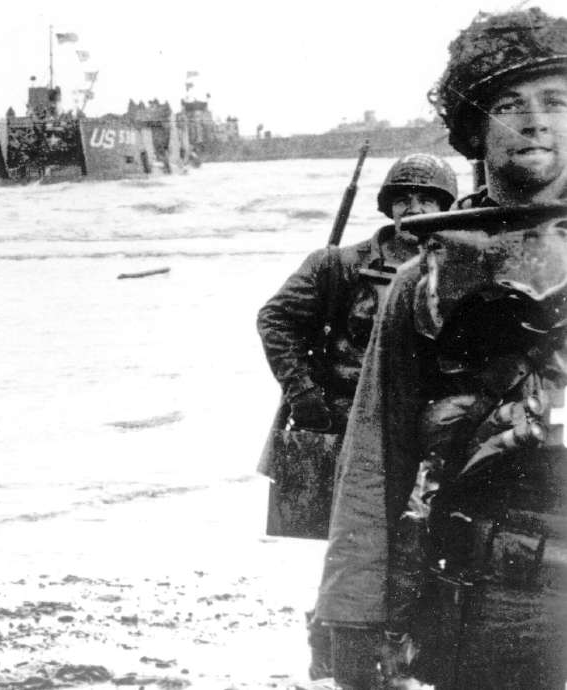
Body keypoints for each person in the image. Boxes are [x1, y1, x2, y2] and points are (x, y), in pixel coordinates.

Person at [315, 8, 567, 689]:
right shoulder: (423, 281)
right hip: (484, 603)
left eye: (556, 102)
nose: (535, 121)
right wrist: (352, 613)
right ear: (474, 131)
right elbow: (374, 458)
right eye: (509, 105)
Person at [256, 154, 457, 682]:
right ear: (388, 205)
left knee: (416, 541)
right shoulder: (338, 266)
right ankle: (338, 654)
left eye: (427, 199)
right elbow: (275, 320)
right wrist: (304, 394)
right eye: (404, 199)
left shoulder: (453, 269)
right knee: (352, 549)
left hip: (421, 427)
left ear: (445, 207)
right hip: (347, 423)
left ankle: (396, 653)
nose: (413, 209)